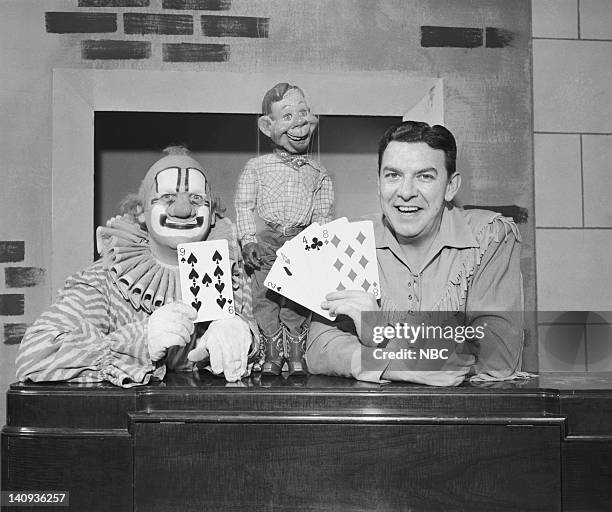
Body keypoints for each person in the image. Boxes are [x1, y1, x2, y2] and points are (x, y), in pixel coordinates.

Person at [306, 121, 529, 386]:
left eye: (424, 176)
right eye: (393, 175)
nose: (406, 192)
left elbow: (497, 357)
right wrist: (392, 366)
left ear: (450, 186)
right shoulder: (351, 240)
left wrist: (381, 333)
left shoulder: (491, 236)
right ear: (378, 183)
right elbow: (320, 347)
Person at [16, 147, 257, 387]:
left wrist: (248, 340)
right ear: (141, 211)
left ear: (212, 214)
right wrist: (141, 340)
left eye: (196, 198)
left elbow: (279, 349)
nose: (182, 210)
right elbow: (34, 355)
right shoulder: (103, 281)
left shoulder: (235, 275)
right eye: (167, 198)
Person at [235, 83, 334, 375]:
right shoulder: (256, 167)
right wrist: (248, 241)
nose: (299, 123)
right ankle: (272, 356)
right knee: (264, 297)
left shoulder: (318, 173)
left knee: (297, 298)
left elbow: (323, 213)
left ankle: (295, 355)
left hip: (302, 241)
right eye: (288, 116)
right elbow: (243, 204)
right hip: (266, 243)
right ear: (268, 126)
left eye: (303, 113)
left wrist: (320, 244)